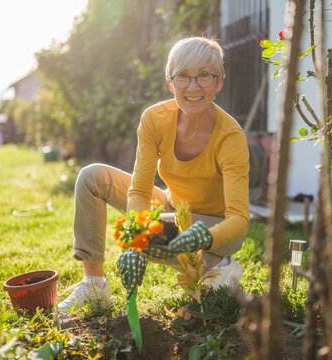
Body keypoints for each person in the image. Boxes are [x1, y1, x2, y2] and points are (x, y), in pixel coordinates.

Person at [57, 37, 250, 312]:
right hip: (175, 208)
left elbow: (239, 221)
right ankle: (93, 285)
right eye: (182, 76)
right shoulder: (155, 119)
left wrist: (201, 238)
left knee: (156, 233)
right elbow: (139, 190)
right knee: (91, 178)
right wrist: (136, 239)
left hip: (218, 226)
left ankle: (219, 265)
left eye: (204, 76)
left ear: (219, 82)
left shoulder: (230, 137)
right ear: (170, 82)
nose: (193, 87)